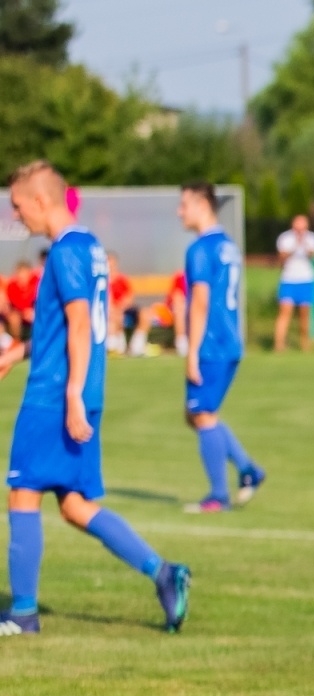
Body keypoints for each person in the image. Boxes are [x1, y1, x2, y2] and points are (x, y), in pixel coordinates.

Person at [0, 160, 190, 636]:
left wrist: (71, 394)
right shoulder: (88, 248)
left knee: (22, 493)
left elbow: (83, 324)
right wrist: (19, 351)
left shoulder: (64, 253)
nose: (15, 215)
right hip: (83, 389)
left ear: (41, 201)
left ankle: (22, 615)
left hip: (56, 396)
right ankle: (163, 573)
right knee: (73, 505)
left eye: (17, 205)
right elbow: (64, 328)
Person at [179, 182, 266, 512]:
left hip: (211, 344)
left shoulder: (200, 249)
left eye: (184, 205)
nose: (179, 212)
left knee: (202, 416)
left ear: (202, 205)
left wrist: (191, 351)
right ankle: (248, 469)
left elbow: (200, 302)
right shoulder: (227, 245)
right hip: (230, 340)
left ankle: (218, 495)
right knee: (197, 414)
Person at [273, 214, 314, 352]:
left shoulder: (312, 238)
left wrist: (303, 244)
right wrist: (295, 245)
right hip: (288, 280)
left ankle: (304, 343)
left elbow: (312, 254)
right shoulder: (285, 238)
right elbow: (282, 257)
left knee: (304, 314)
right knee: (284, 312)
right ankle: (279, 344)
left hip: (306, 280)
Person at [131, 270, 188, 358]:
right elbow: (177, 298)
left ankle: (183, 347)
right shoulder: (180, 277)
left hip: (189, 313)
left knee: (180, 312)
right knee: (145, 314)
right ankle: (136, 347)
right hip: (169, 312)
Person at [6, 254, 41, 339]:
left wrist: (33, 311)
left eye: (24, 275)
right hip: (20, 313)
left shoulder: (37, 282)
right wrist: (23, 312)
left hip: (36, 311)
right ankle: (17, 342)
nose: (22, 279)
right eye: (20, 276)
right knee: (14, 318)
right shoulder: (12, 286)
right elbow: (14, 303)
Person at [105, 253, 135, 355]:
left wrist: (120, 307)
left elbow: (129, 297)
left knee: (144, 314)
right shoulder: (102, 281)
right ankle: (113, 346)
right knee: (112, 316)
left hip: (122, 310)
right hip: (108, 311)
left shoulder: (122, 279)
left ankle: (122, 346)